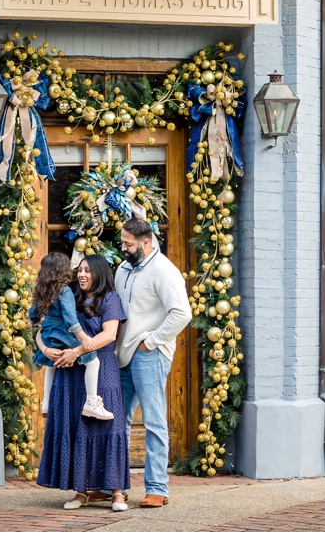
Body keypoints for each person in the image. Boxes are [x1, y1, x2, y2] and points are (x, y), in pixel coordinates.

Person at [36, 255, 130, 512]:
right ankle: (82, 491)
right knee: (80, 429)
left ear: (99, 273)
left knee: (109, 426)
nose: (82, 275)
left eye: (88, 271)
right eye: (80, 270)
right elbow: (43, 326)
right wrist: (44, 348)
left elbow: (108, 335)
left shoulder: (109, 299)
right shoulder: (69, 296)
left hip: (101, 367)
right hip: (71, 372)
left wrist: (76, 351)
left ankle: (118, 493)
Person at [113, 217, 193, 508]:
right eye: (122, 242)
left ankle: (157, 488)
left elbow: (182, 313)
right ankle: (116, 486)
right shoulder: (123, 268)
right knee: (115, 423)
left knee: (154, 422)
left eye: (128, 244)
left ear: (146, 242)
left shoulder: (163, 270)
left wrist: (153, 341)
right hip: (120, 355)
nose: (123, 248)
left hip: (148, 355)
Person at [28, 252, 112, 421]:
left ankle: (46, 402)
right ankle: (91, 402)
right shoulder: (64, 291)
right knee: (93, 361)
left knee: (52, 366)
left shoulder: (43, 291)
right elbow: (70, 320)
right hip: (63, 334)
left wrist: (39, 321)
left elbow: (33, 314)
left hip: (48, 335)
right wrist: (84, 338)